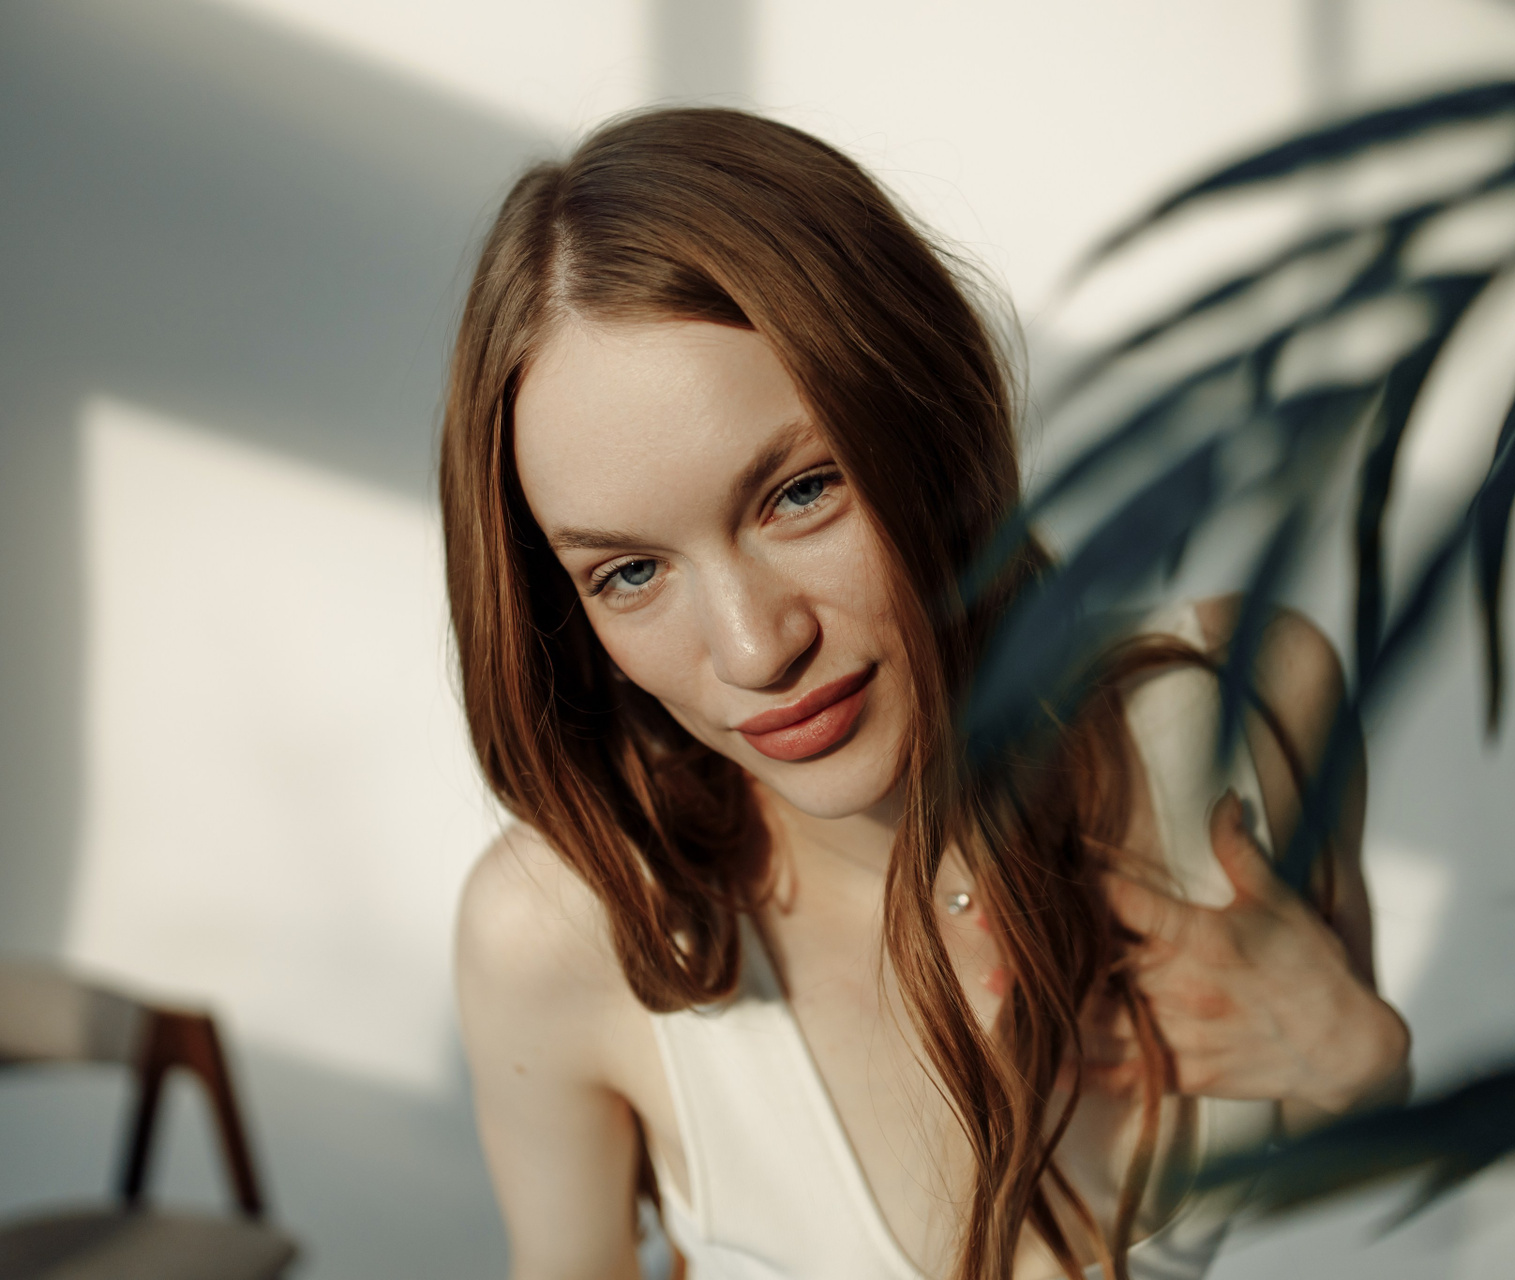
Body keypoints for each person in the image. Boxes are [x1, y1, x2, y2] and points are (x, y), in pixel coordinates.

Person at [440, 108, 1410, 1280]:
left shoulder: (1253, 703)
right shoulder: (557, 931)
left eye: (801, 491)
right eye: (631, 572)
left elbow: (1354, 1153)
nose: (755, 649)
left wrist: (1360, 1057)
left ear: (931, 421)